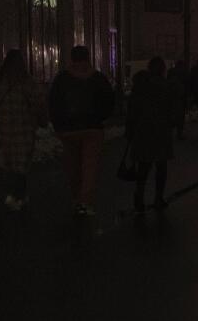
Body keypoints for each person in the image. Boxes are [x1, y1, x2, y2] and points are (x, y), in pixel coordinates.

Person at [49, 45, 114, 216]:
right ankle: (85, 202)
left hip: (68, 129)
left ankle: (76, 196)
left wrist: (58, 124)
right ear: (88, 58)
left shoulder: (62, 79)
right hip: (92, 128)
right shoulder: (97, 78)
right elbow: (109, 101)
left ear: (72, 59)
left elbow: (54, 102)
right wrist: (100, 118)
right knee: (89, 166)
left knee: (73, 165)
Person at [0, 49, 48, 211]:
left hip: (6, 128)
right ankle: (18, 196)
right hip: (24, 127)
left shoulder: (0, 82)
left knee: (11, 161)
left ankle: (14, 194)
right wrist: (42, 118)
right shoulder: (26, 82)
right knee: (22, 163)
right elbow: (38, 102)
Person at [126, 57, 175, 213]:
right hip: (161, 130)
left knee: (143, 166)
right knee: (161, 166)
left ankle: (139, 196)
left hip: (143, 130)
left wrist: (130, 129)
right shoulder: (165, 86)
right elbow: (171, 109)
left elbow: (132, 109)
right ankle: (158, 197)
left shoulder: (140, 86)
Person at [166, 59, 188, 140]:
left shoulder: (171, 72)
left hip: (172, 97)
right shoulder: (184, 72)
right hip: (181, 96)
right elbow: (187, 83)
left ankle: (171, 132)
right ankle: (179, 132)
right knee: (180, 116)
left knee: (172, 114)